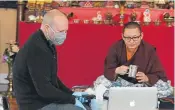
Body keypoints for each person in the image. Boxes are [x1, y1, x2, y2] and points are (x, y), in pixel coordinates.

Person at [13, 9, 87, 110]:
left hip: (41, 101)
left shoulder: (46, 42)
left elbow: (52, 78)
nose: (64, 35)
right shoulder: (37, 48)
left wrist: (72, 94)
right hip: (34, 105)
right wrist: (72, 100)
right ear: (47, 28)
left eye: (66, 31)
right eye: (61, 31)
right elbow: (44, 90)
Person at [104, 22, 167, 86]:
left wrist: (147, 78)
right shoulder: (116, 47)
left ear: (141, 36)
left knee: (164, 87)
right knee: (101, 83)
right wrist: (116, 70)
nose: (131, 42)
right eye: (128, 38)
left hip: (142, 85)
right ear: (122, 36)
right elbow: (107, 70)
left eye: (135, 37)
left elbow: (159, 74)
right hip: (120, 84)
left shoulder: (149, 50)